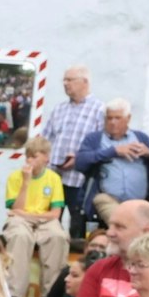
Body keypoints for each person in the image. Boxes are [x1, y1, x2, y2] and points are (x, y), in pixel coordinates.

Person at [74, 99, 149, 224]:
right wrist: (113, 151)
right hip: (107, 198)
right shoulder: (95, 139)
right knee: (122, 223)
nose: (113, 122)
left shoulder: (141, 138)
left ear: (128, 118)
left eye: (117, 118)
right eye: (109, 118)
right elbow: (80, 163)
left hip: (140, 200)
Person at [0, 136, 67, 297]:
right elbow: (16, 208)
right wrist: (25, 183)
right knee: (20, 236)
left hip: (45, 219)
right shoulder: (15, 177)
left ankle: (51, 294)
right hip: (22, 220)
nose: (30, 160)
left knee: (58, 237)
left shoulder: (54, 179)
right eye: (27, 156)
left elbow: (55, 213)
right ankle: (14, 294)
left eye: (34, 156)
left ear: (46, 157)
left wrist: (27, 214)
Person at [45, 65, 105, 231]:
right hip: (54, 176)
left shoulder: (99, 110)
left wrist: (78, 159)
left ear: (84, 82)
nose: (65, 83)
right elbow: (46, 138)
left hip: (79, 179)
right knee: (49, 223)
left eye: (70, 80)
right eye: (64, 80)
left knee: (78, 223)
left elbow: (102, 145)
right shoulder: (59, 109)